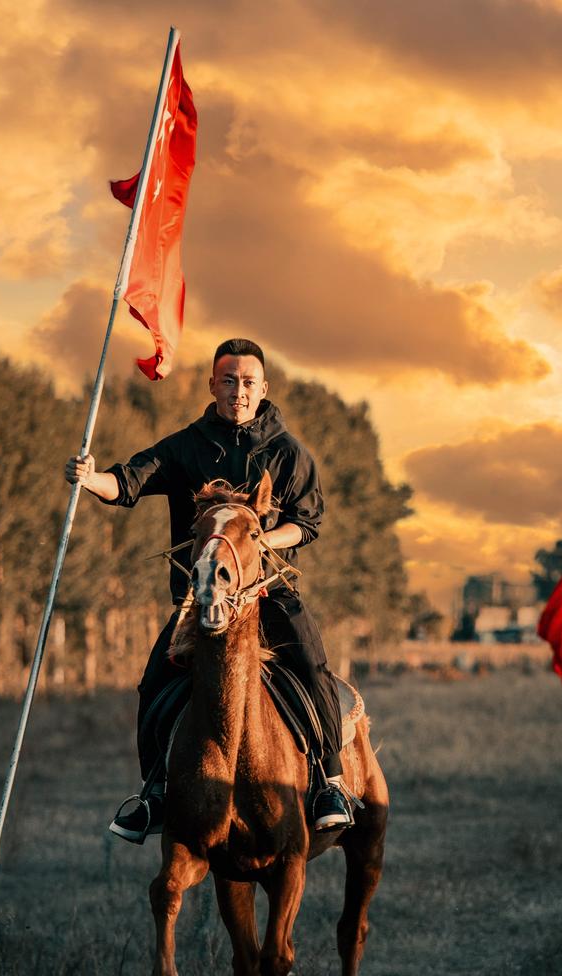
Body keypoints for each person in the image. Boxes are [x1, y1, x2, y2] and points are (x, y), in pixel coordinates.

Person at [64, 338, 352, 842]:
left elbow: (306, 524)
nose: (237, 391)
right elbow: (126, 482)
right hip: (199, 601)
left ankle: (329, 781)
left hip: (267, 597)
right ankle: (153, 793)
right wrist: (91, 479)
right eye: (228, 380)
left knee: (311, 663)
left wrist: (262, 540)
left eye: (247, 382)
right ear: (212, 384)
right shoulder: (185, 446)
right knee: (154, 682)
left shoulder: (289, 452)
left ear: (262, 387)